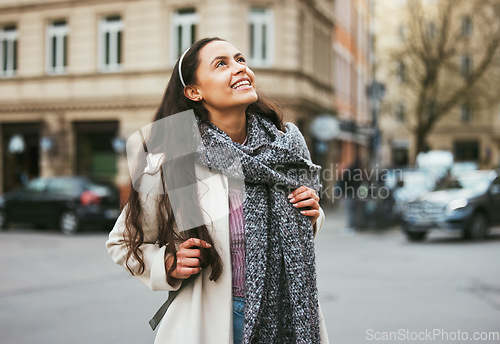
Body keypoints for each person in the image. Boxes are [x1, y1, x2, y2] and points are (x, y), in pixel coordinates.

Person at [106, 37, 329, 344]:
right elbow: (123, 243)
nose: (240, 68)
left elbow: (298, 236)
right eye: (221, 64)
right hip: (212, 323)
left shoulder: (285, 147)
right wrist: (167, 264)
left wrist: (312, 214)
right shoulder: (174, 156)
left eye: (240, 60)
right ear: (194, 92)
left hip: (286, 313)